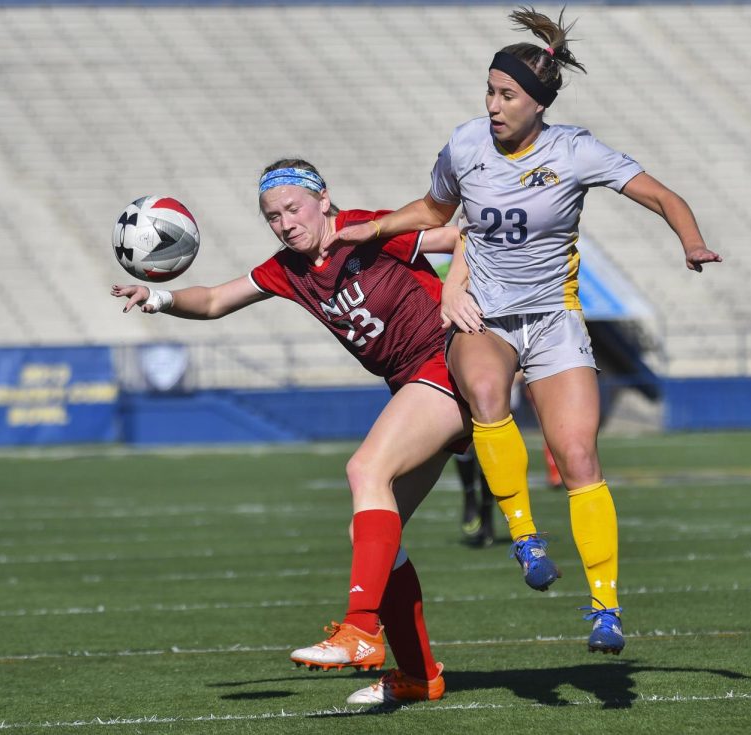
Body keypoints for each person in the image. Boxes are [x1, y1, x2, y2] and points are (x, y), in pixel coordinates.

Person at [331, 6, 721, 655]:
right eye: (489, 89)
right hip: (481, 313)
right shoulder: (464, 145)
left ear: (539, 104)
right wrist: (375, 227)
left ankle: (605, 606)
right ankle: (524, 535)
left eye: (506, 94)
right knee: (486, 393)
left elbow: (662, 195)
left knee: (579, 458)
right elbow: (435, 207)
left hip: (553, 319)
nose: (492, 104)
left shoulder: (576, 152)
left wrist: (692, 240)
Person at [113, 158, 481, 705]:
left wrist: (454, 290)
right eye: (272, 216)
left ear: (323, 200)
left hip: (449, 360)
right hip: (412, 382)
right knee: (375, 534)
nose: (284, 223)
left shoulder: (367, 229)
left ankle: (360, 628)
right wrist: (161, 298)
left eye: (292, 208)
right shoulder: (289, 267)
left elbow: (466, 235)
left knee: (365, 470)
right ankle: (420, 675)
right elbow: (214, 300)